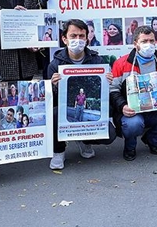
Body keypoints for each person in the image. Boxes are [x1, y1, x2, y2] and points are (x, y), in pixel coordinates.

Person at [45, 19, 117, 168]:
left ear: (87, 38)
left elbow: (103, 93)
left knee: (110, 134)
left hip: (83, 107)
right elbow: (48, 99)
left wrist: (107, 81)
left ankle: (85, 141)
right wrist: (53, 86)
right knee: (54, 113)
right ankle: (58, 151)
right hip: (62, 109)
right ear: (64, 39)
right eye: (73, 36)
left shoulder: (97, 61)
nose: (77, 40)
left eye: (81, 36)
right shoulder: (55, 64)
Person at [111, 26, 157, 160]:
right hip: (133, 112)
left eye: (152, 41)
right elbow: (113, 89)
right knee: (133, 124)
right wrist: (122, 107)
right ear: (135, 44)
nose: (149, 45)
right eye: (144, 41)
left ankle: (152, 140)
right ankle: (130, 146)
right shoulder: (121, 63)